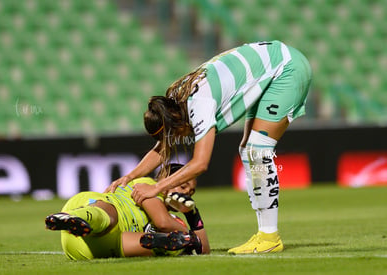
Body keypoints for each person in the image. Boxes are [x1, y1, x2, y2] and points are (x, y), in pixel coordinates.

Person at [105, 40, 312, 254]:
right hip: (272, 64)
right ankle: (265, 234)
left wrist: (157, 187)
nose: (177, 139)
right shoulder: (174, 102)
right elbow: (161, 150)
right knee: (249, 151)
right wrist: (128, 177)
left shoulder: (199, 103)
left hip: (286, 68)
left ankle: (269, 236)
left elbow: (200, 163)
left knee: (257, 151)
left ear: (174, 122)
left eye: (173, 135)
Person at [46, 163, 210, 260]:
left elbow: (203, 251)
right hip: (90, 210)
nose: (187, 193)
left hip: (86, 250)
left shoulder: (173, 218)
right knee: (110, 216)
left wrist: (192, 214)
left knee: (155, 244)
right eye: (183, 186)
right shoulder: (148, 186)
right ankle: (74, 218)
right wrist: (191, 236)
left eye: (191, 192)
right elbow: (163, 222)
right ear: (166, 179)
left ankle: (161, 244)